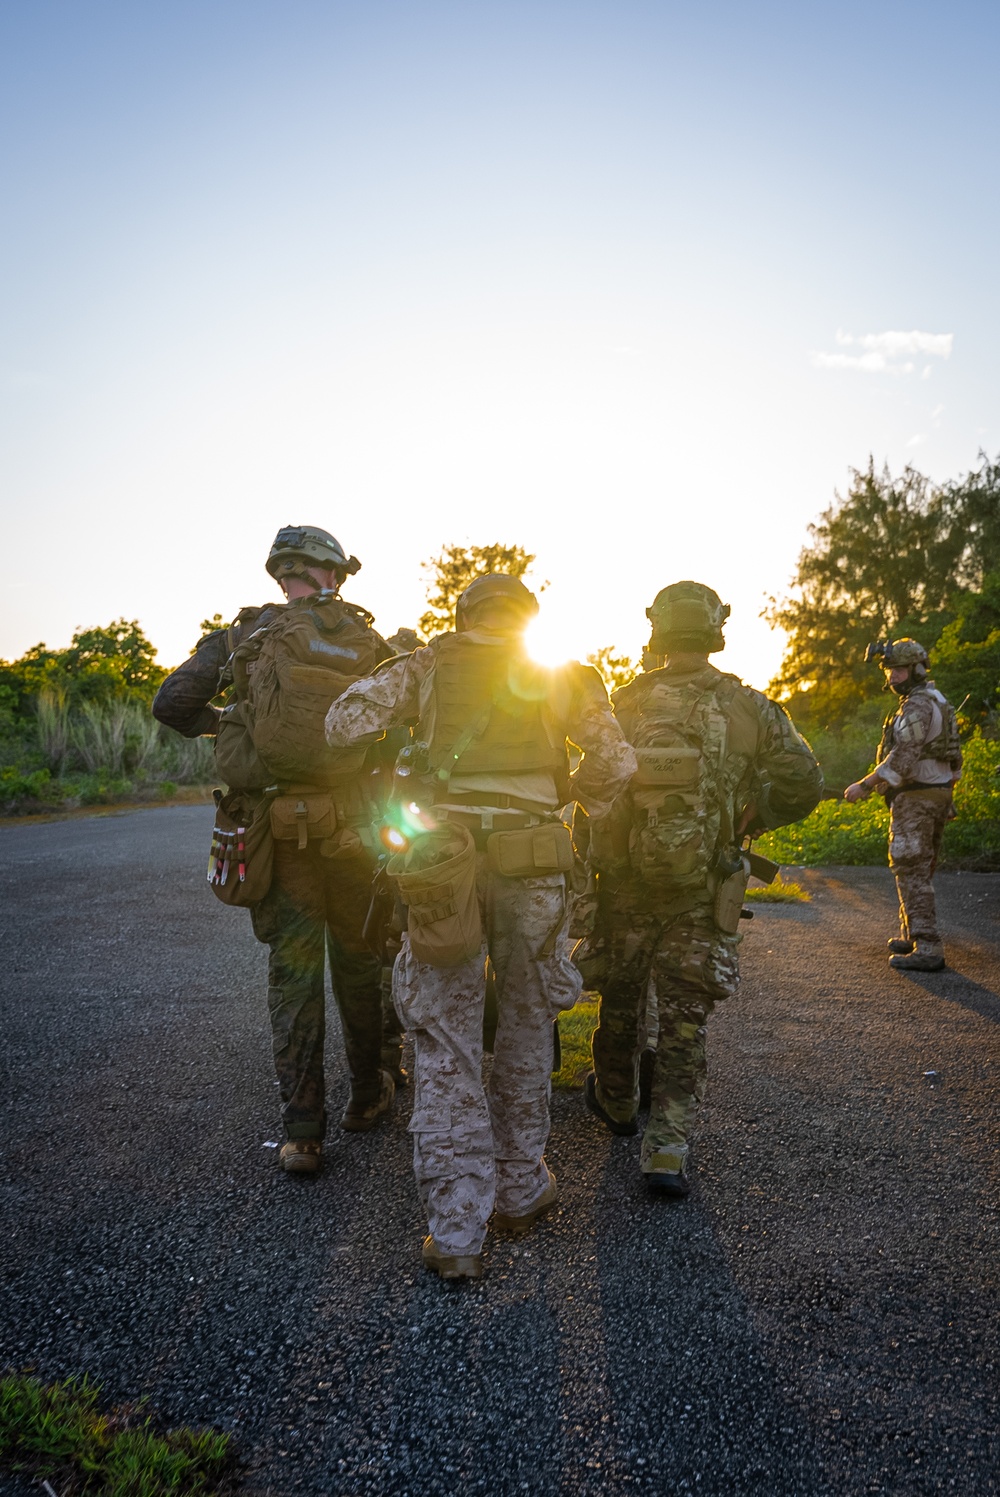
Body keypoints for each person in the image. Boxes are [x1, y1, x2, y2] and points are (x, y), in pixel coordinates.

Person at [324, 574, 637, 1279]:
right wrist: (564, 799)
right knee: (528, 1024)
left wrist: (409, 746)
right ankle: (521, 1188)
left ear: (462, 614)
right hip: (535, 863)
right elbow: (617, 761)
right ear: (527, 618)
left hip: (447, 866)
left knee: (443, 1037)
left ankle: (457, 1229)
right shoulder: (560, 676)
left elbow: (340, 723)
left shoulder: (427, 663)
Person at [153, 525, 396, 1173]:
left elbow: (171, 702)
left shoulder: (243, 636)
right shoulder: (370, 638)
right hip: (354, 831)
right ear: (335, 573)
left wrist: (230, 723)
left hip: (276, 833)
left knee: (293, 974)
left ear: (280, 572)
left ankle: (303, 1131)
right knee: (360, 962)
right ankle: (369, 1095)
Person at [577, 581, 823, 1197]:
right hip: (702, 885)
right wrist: (751, 817)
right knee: (684, 1020)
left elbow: (589, 788)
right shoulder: (748, 705)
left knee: (621, 1002)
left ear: (657, 629)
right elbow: (803, 782)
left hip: (625, 887)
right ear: (714, 631)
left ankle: (617, 1103)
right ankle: (667, 1149)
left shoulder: (624, 704)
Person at [844, 638, 962, 973]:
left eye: (897, 670)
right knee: (920, 868)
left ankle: (927, 946)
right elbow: (954, 755)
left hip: (918, 797)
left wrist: (866, 785)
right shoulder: (939, 700)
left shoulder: (916, 706)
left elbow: (904, 757)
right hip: (936, 793)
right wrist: (948, 790)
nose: (892, 677)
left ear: (917, 669)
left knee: (910, 868)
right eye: (889, 670)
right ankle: (911, 934)